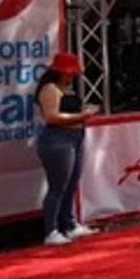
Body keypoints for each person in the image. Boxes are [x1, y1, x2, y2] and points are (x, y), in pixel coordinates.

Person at [33, 52, 100, 246]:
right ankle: (51, 230)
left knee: (71, 184)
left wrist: (83, 113)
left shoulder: (66, 88)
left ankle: (69, 224)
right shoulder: (50, 89)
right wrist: (82, 116)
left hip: (75, 138)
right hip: (58, 140)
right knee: (58, 187)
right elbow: (51, 117)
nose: (72, 76)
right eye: (69, 73)